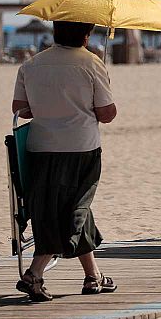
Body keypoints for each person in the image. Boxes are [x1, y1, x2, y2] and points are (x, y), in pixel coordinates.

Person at [11, 21, 117, 302]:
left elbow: (20, 110)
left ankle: (93, 276)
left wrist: (50, 107)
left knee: (65, 206)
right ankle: (35, 273)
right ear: (85, 34)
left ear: (55, 32)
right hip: (81, 149)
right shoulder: (91, 63)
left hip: (41, 148)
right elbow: (106, 114)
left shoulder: (31, 65)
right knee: (75, 208)